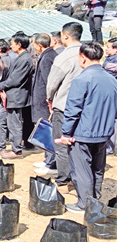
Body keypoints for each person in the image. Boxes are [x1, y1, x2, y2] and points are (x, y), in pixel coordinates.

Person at [57, 42, 117, 213]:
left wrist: (66, 133)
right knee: (97, 168)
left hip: (83, 133)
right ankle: (94, 199)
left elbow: (72, 109)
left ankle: (84, 203)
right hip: (104, 132)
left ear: (83, 58)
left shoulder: (82, 79)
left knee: (82, 169)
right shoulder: (112, 79)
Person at [46, 22, 83, 192]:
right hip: (83, 107)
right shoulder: (87, 53)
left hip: (64, 106)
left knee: (61, 144)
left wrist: (50, 98)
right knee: (79, 145)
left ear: (65, 36)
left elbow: (52, 83)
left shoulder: (64, 57)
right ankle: (78, 178)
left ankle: (63, 180)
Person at [0, 33, 34, 159]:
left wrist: (1, 85)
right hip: (10, 95)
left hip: (16, 96)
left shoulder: (24, 59)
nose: (11, 46)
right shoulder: (21, 58)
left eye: (12, 43)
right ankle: (1, 146)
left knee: (14, 123)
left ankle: (16, 150)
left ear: (19, 44)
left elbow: (15, 80)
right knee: (0, 118)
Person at [31, 33, 58, 175]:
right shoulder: (47, 55)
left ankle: (51, 163)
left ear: (39, 45)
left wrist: (49, 100)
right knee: (44, 129)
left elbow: (49, 82)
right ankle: (47, 159)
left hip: (45, 102)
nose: (33, 47)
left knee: (48, 131)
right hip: (42, 100)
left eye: (34, 44)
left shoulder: (48, 58)